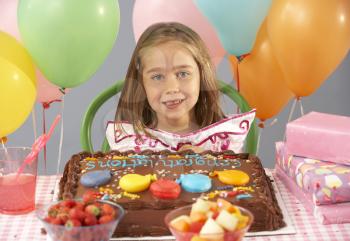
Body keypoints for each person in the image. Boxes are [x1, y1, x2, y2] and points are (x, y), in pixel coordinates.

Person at [107, 22, 255, 153]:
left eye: (183, 74)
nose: (171, 88)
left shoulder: (224, 140)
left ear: (201, 75)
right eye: (157, 77)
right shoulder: (129, 143)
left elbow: (237, 180)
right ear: (142, 83)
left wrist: (208, 161)